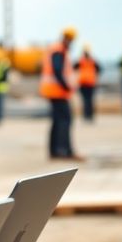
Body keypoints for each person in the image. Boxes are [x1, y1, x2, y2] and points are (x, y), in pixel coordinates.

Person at [41, 26, 82, 160]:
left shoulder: (58, 49)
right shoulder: (58, 50)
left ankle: (55, 151)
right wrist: (66, 86)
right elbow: (57, 70)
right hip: (57, 92)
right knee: (65, 120)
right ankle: (64, 151)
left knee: (57, 121)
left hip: (54, 91)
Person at [74, 44, 100, 122]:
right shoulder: (91, 60)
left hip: (87, 83)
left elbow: (74, 67)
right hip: (86, 83)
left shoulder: (82, 60)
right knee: (88, 100)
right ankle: (88, 116)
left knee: (87, 100)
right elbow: (99, 69)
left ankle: (88, 116)